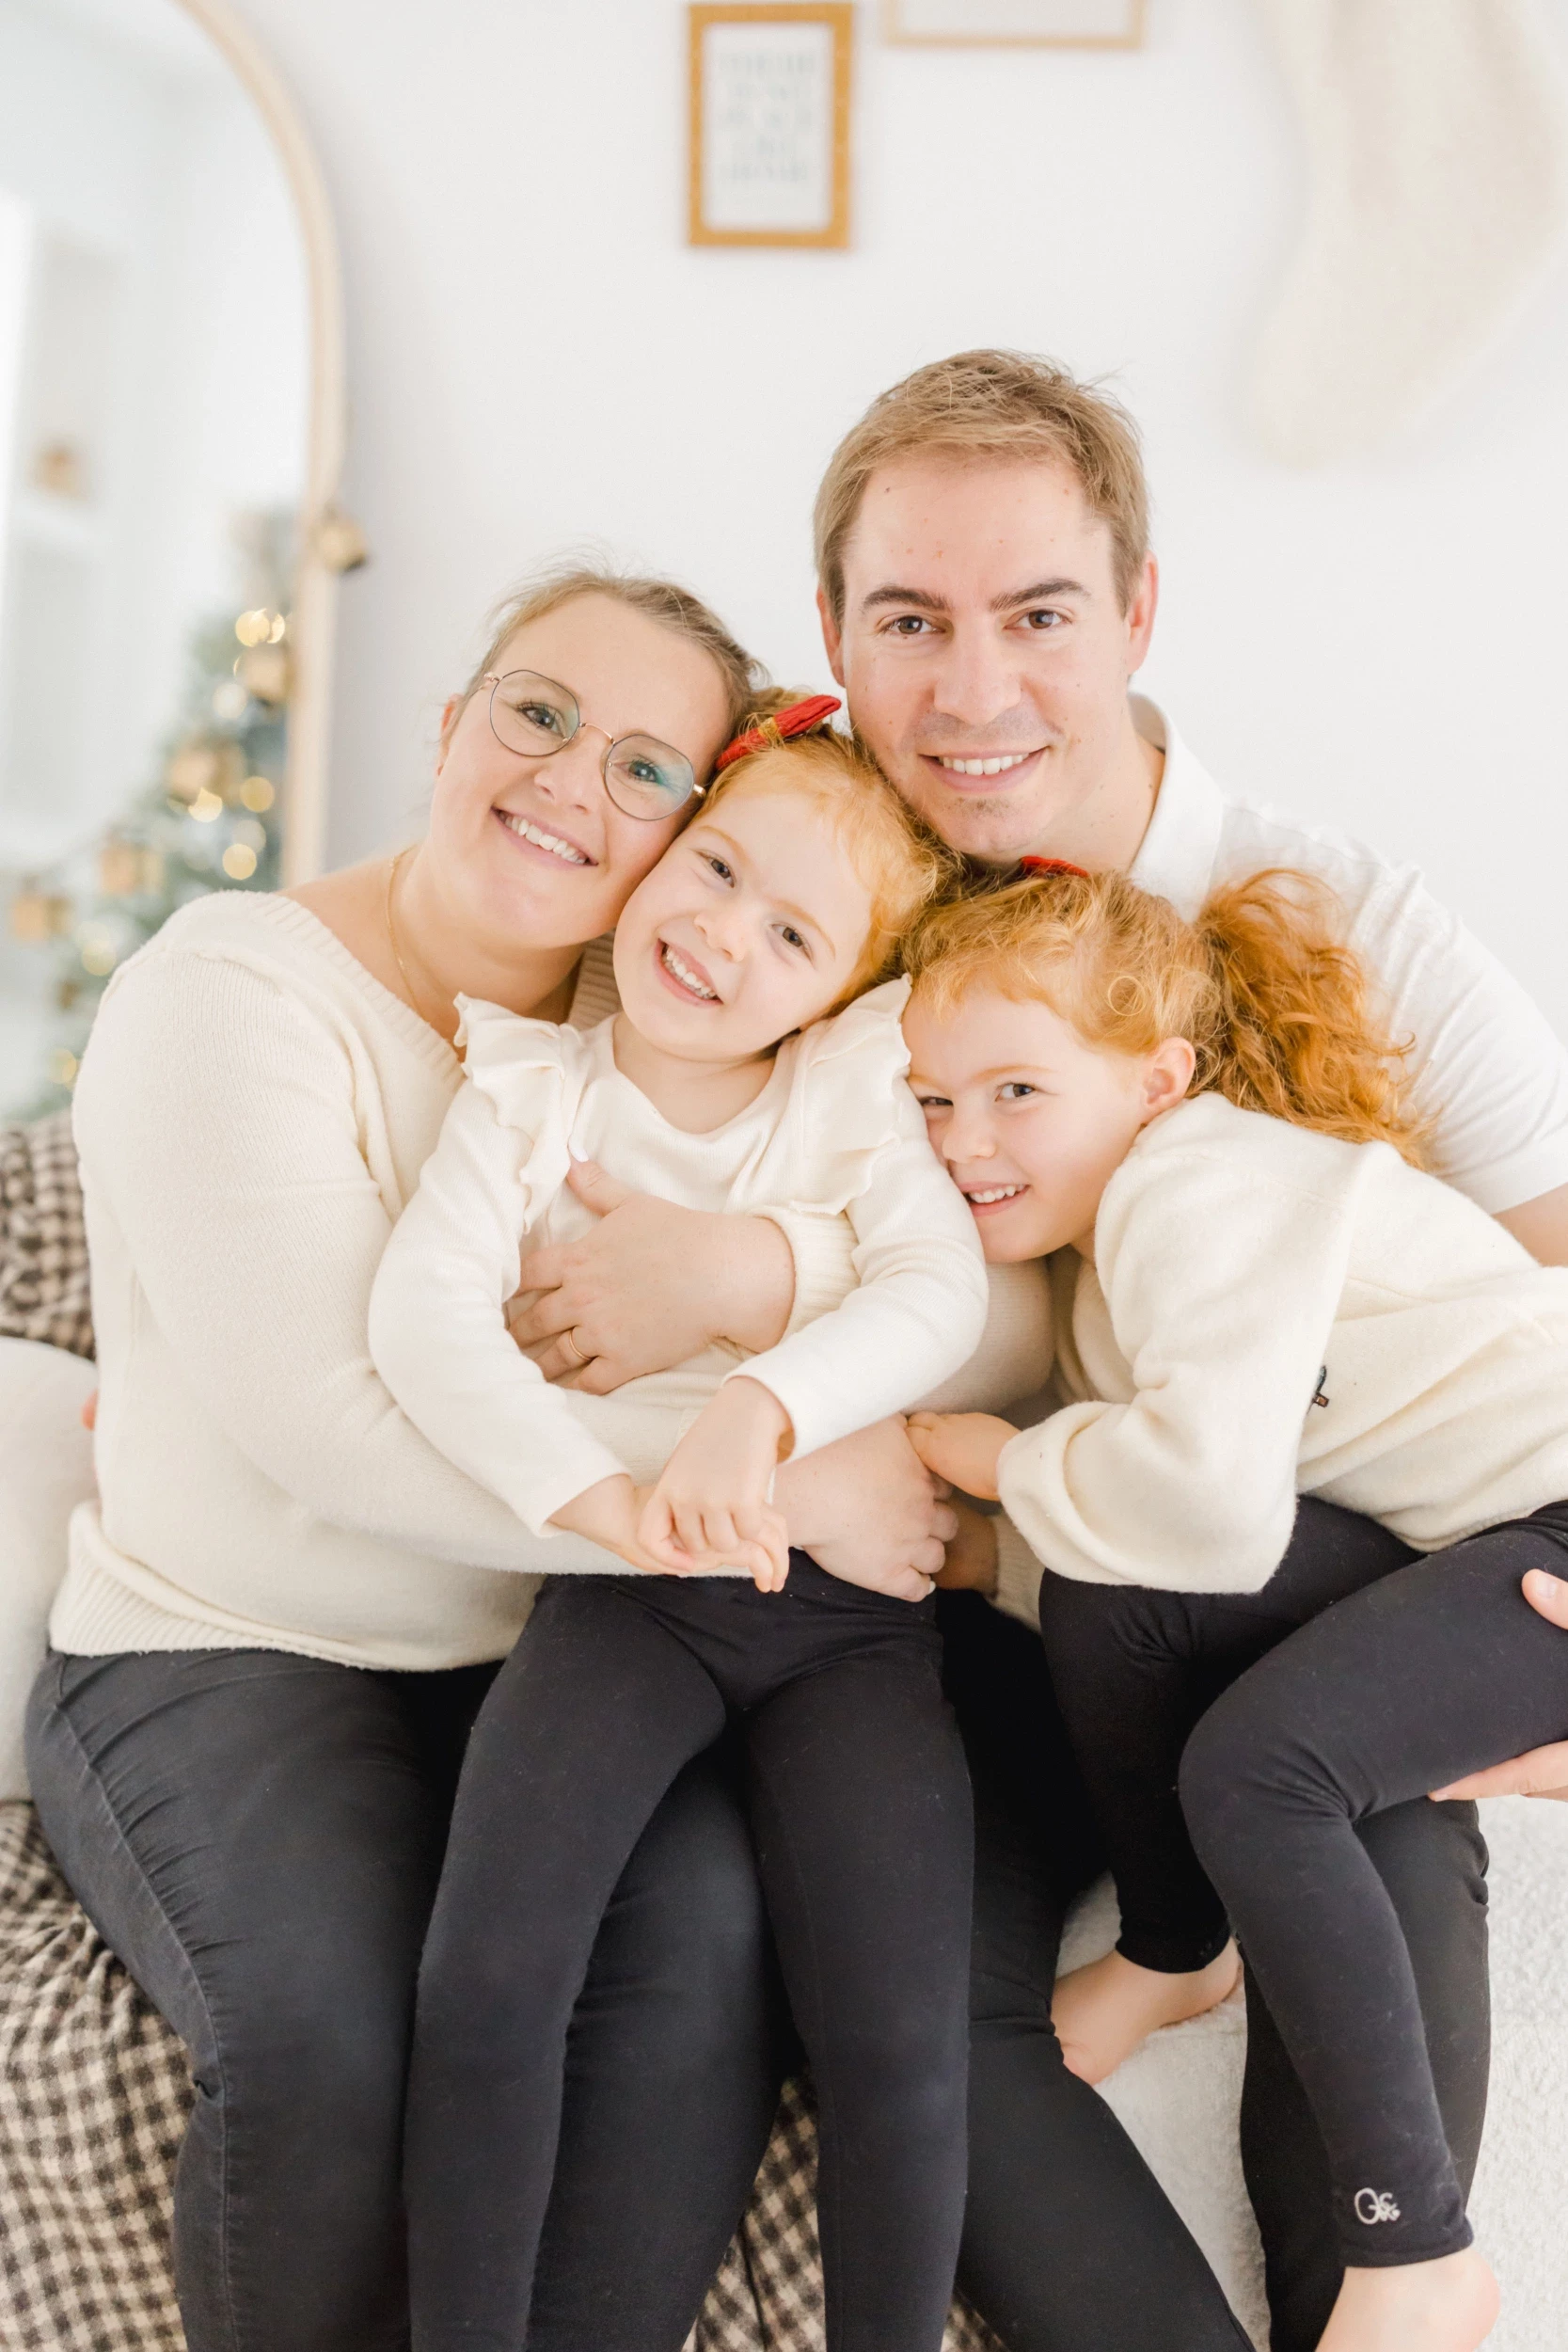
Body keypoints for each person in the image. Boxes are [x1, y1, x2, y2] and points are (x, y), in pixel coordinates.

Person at [23, 569, 967, 2352]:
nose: (568, 785)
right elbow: (338, 1427)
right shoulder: (230, 994)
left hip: (548, 1645)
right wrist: (769, 1490)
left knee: (695, 1959)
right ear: (449, 727)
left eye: (642, 767)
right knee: (328, 2024)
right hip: (233, 1644)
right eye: (536, 715)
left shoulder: (687, 1032)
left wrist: (760, 1280)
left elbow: (952, 1277)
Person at [375, 714, 992, 2352]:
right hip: (626, 1595)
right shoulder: (528, 1093)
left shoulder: (852, 1095)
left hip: (845, 1626)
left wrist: (760, 1411)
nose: (720, 933)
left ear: (842, 987)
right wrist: (605, 1510)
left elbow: (943, 1291)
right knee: (493, 1976)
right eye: (715, 868)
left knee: (896, 2042)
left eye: (790, 931)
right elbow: (422, 1323)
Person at [900, 859, 1568, 2352]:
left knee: (1263, 1769)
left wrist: (1007, 1461)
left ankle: (1419, 2252)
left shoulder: (1193, 1181)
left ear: (1155, 1078)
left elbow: (1197, 1497)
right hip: (1471, 1536)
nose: (962, 1141)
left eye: (1014, 1092)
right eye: (930, 1102)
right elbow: (1171, 1536)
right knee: (1109, 1598)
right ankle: (1177, 1943)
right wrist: (982, 1536)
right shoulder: (1102, 1268)